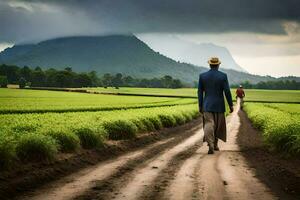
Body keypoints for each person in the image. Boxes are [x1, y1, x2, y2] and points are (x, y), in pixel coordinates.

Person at [198, 57, 234, 154]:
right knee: (217, 126)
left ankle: (211, 144)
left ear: (209, 65)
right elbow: (227, 91)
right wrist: (231, 105)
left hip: (207, 105)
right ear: (218, 65)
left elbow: (200, 92)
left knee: (209, 123)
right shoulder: (223, 76)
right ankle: (215, 144)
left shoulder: (202, 76)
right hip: (219, 105)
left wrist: (200, 105)